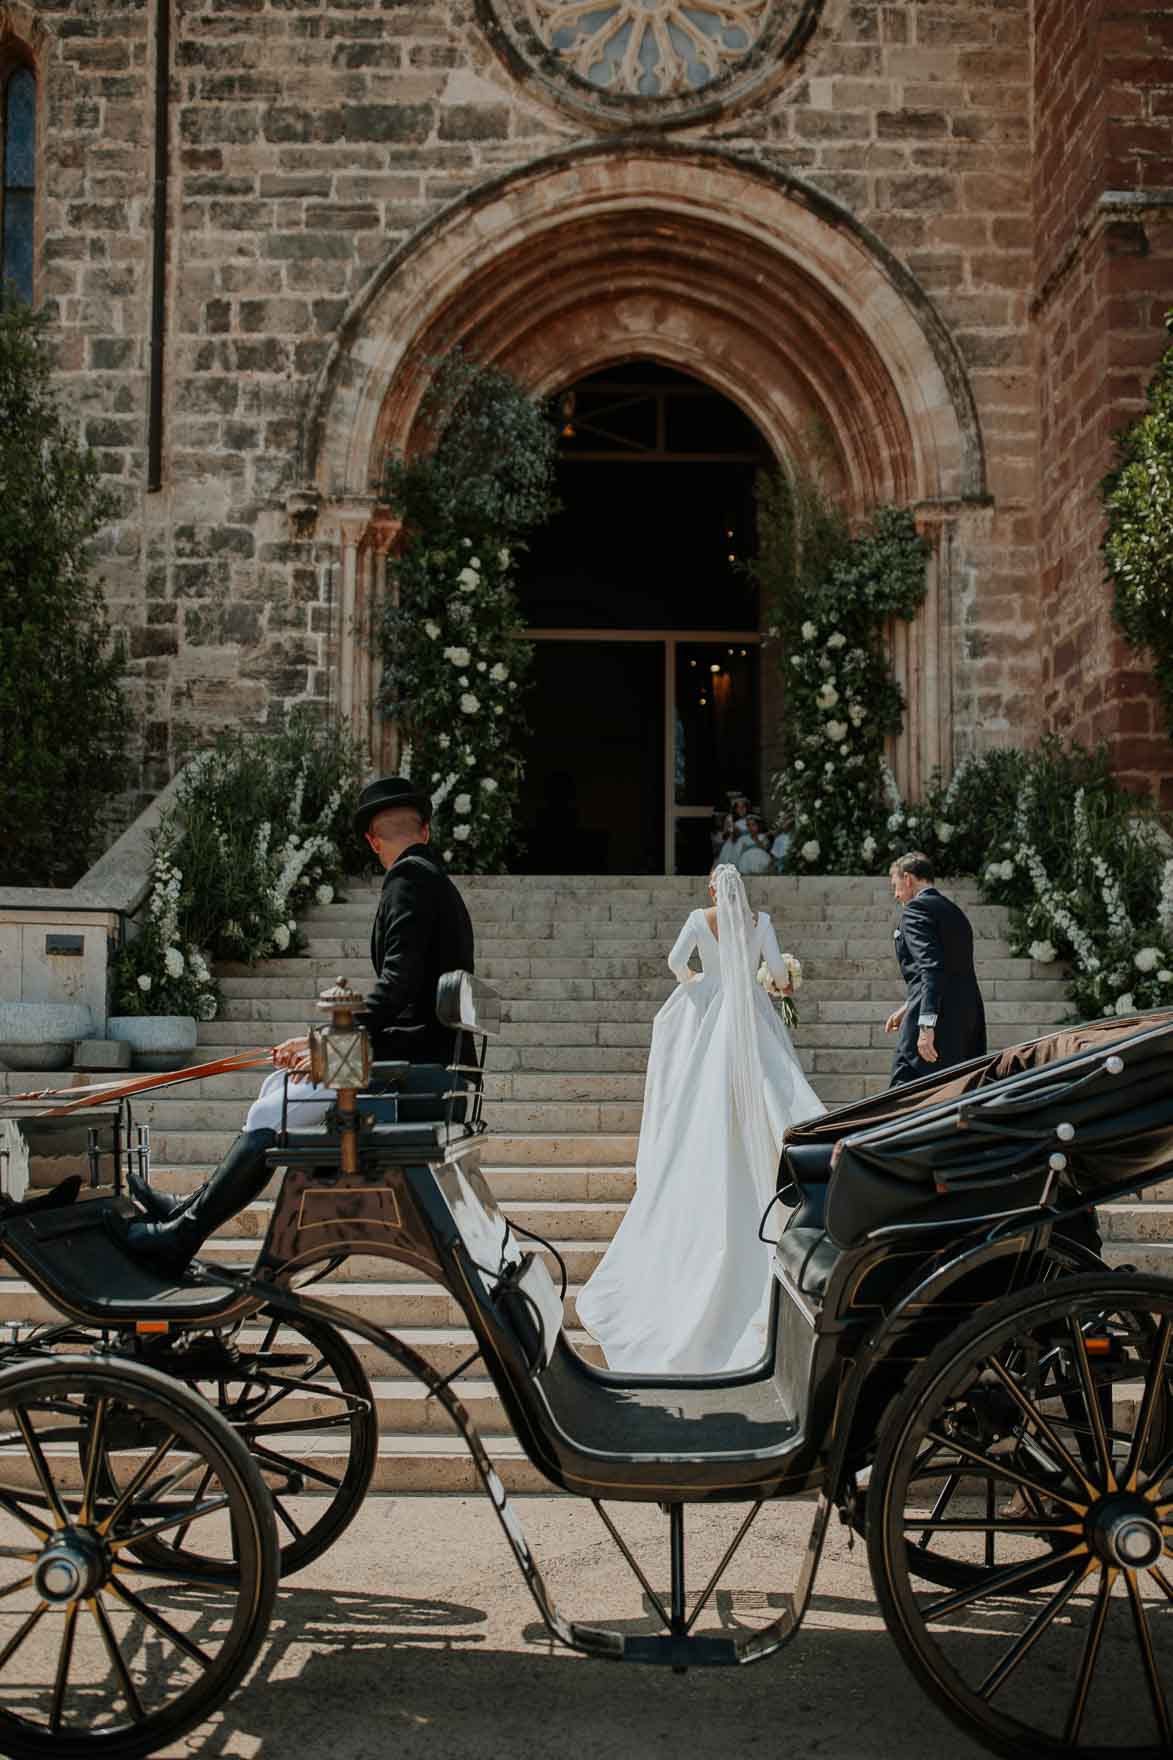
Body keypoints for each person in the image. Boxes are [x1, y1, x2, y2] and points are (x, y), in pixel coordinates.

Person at [110, 775, 474, 1275]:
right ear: (426, 830)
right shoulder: (435, 882)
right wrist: (315, 1043)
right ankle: (189, 1209)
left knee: (275, 1108)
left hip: (411, 1078)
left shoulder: (409, 880)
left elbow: (398, 990)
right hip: (428, 1069)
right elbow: (405, 994)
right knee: (275, 1087)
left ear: (372, 840)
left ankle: (184, 1232)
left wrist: (327, 1045)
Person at [577, 863, 824, 1374]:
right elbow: (778, 976)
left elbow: (674, 962)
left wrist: (697, 983)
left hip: (712, 1015)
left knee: (700, 1105)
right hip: (752, 1016)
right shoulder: (761, 922)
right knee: (770, 1094)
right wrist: (778, 983)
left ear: (713, 887)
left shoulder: (697, 917)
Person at [884, 850, 986, 1086]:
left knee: (901, 1097)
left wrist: (926, 1025)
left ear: (908, 878)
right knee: (951, 1096)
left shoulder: (914, 911)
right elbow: (949, 970)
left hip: (935, 1021)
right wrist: (907, 1007)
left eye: (896, 885)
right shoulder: (955, 912)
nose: (897, 894)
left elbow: (932, 969)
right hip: (966, 1021)